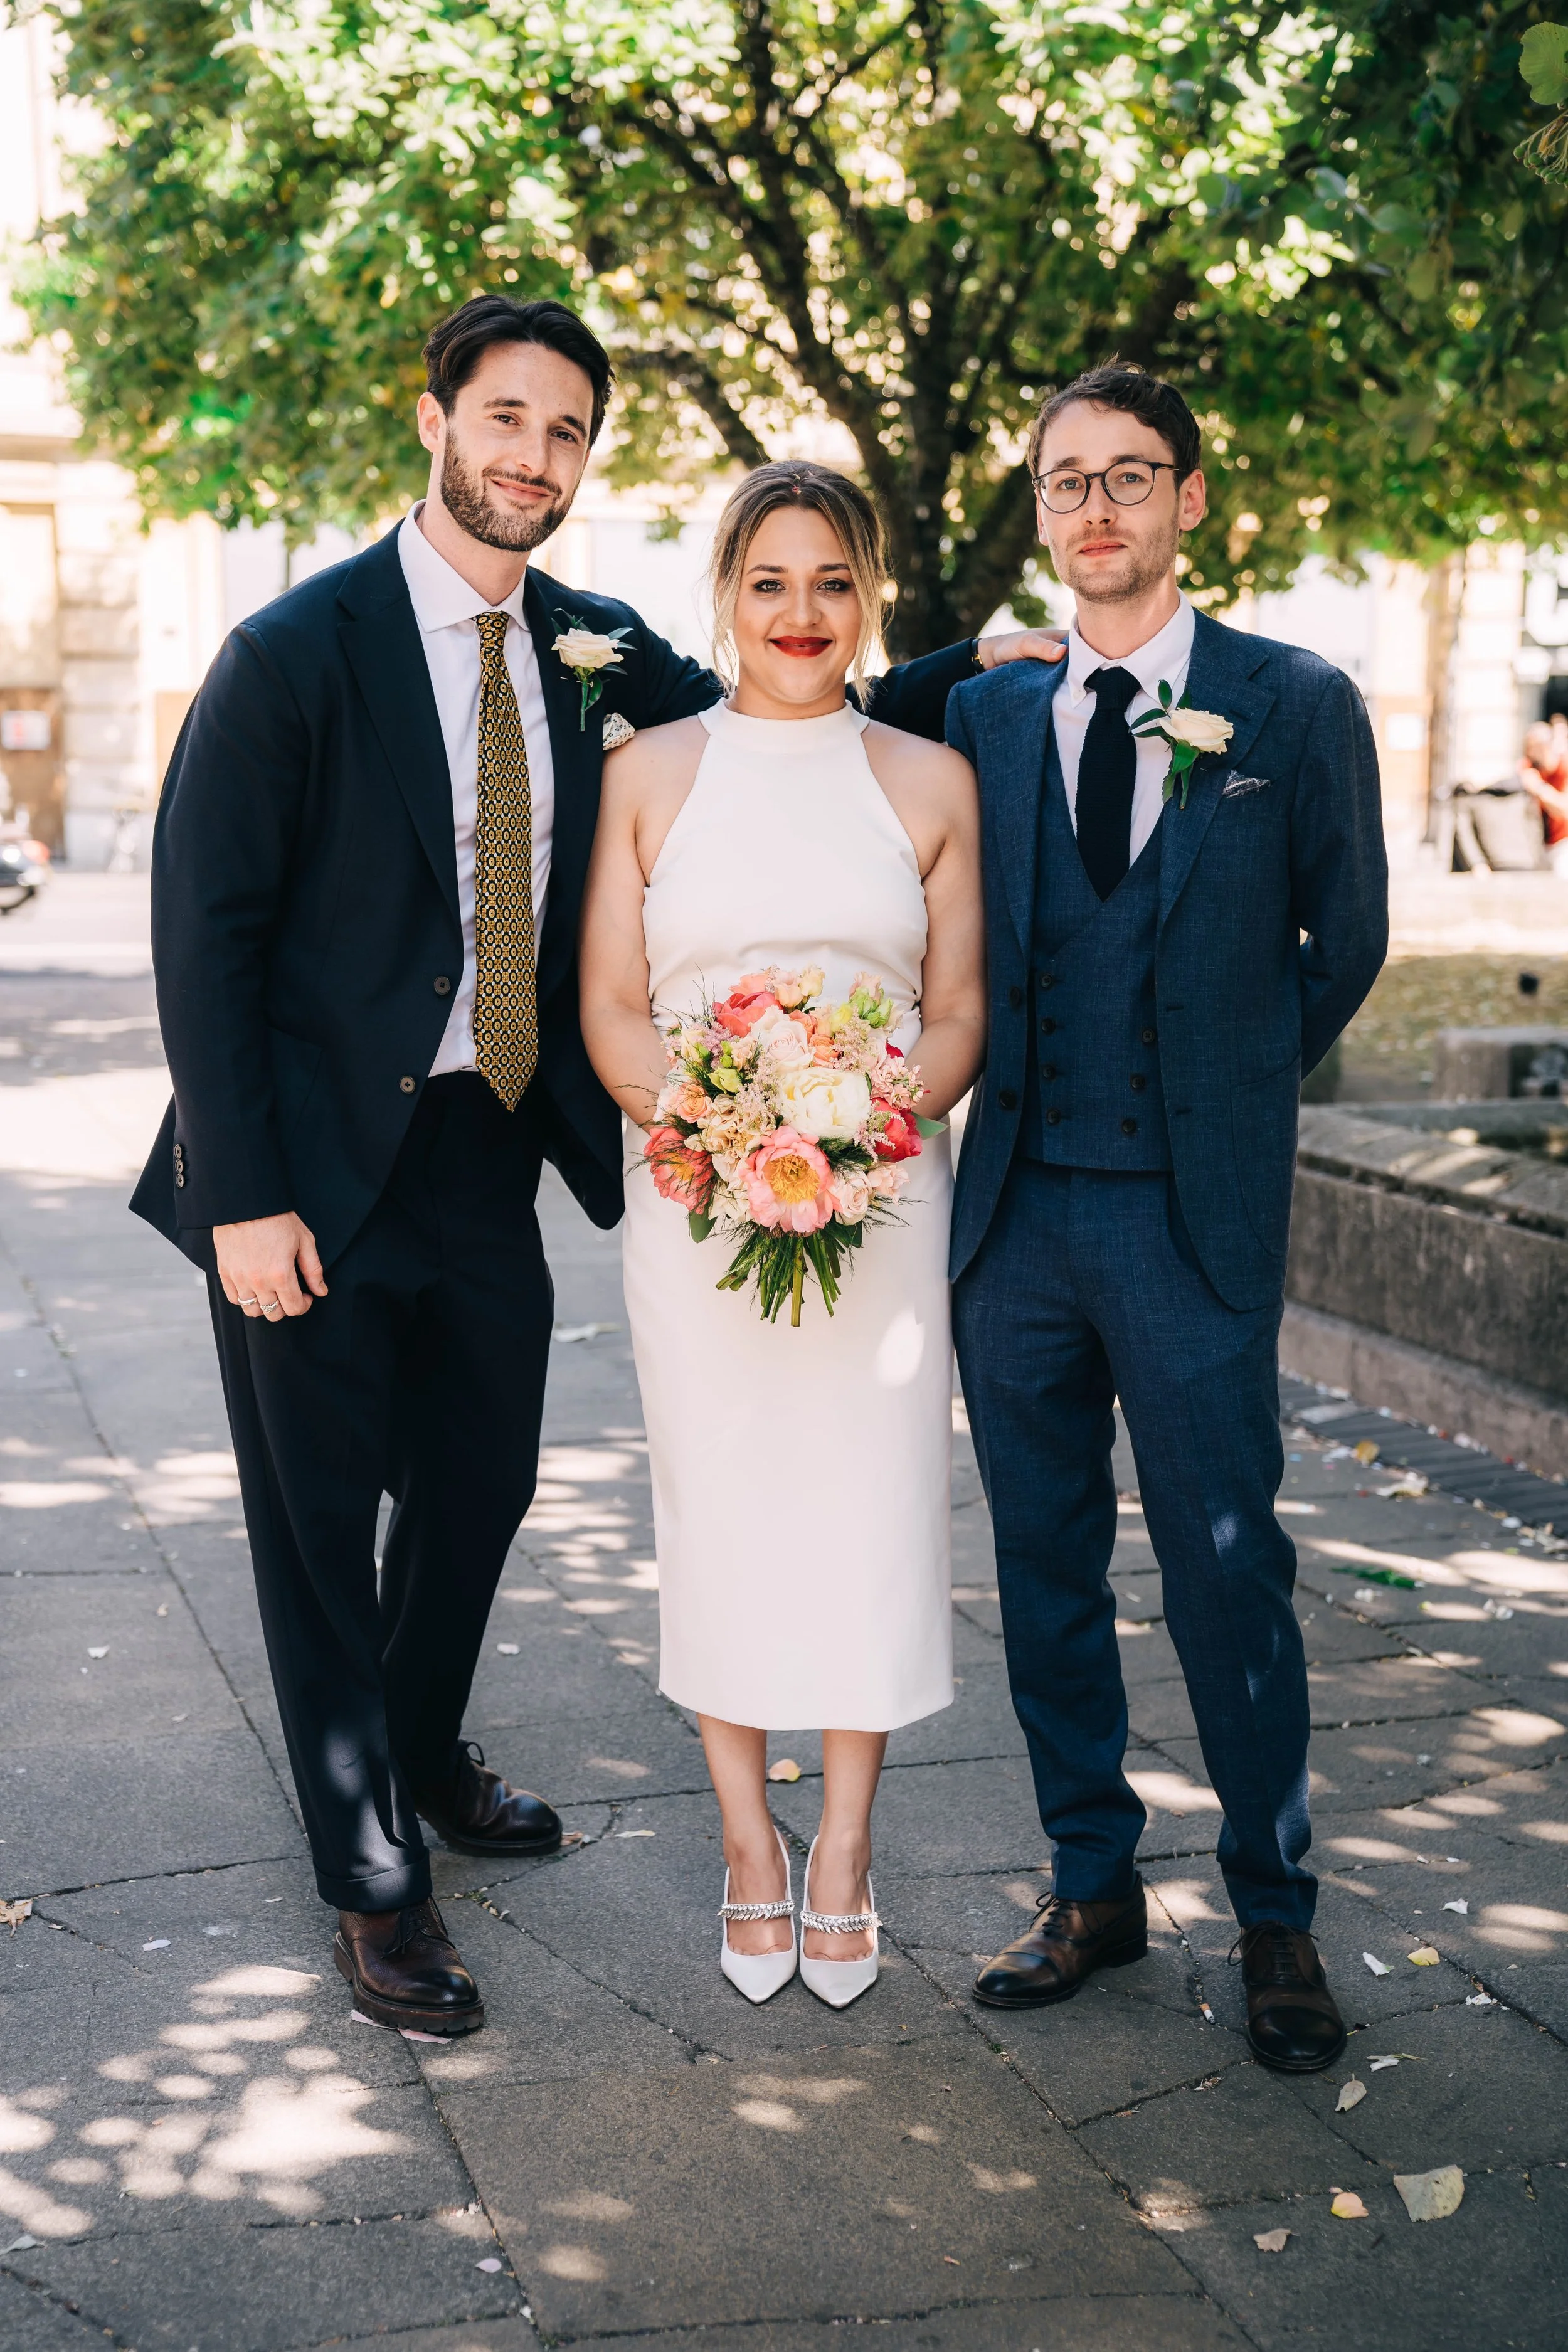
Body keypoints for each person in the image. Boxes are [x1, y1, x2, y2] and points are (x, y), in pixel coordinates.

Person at [130, 294, 1061, 2035]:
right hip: (310, 1165)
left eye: (564, 433)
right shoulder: (296, 650)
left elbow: (780, 708)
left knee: (480, 1487)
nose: (530, 458)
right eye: (504, 419)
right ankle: (371, 1871)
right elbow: (207, 928)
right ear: (435, 421)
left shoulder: (595, 644)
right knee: (321, 1525)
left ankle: (417, 1746)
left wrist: (965, 682)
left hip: (486, 1148)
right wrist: (241, 1193)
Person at [946, 366, 1387, 2072]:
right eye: (1066, 481)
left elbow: (1336, 946)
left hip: (1191, 1222)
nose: (1098, 509)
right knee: (1042, 1566)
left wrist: (1224, 1078)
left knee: (1227, 1570)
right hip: (1015, 1223)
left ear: (1192, 499)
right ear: (1041, 507)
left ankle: (1274, 1914)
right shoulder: (989, 714)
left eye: (1132, 477)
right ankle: (1088, 1881)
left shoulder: (1291, 702)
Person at [579, 462, 985, 2007]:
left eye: (830, 581)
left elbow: (957, 1010)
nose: (799, 613)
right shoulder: (653, 772)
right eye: (768, 580)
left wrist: (864, 1121)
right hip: (696, 1203)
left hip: (880, 1200)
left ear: (868, 590)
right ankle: (752, 1840)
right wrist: (716, 1132)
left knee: (877, 1510)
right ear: (726, 595)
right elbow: (613, 1001)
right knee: (725, 1507)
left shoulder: (926, 781)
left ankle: (847, 1850)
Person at [1518, 718, 1568, 875]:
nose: (1528, 755)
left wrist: (1540, 788)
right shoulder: (1528, 767)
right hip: (1536, 844)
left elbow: (1565, 810)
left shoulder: (1564, 767)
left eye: (1530, 749)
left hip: (1563, 842)